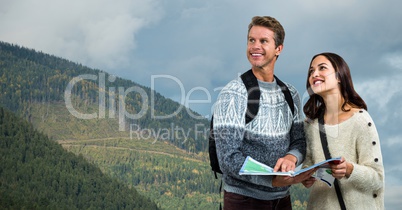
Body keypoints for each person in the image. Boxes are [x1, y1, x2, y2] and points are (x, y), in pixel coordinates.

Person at [212, 16, 309, 210]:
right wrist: (272, 181)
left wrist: (291, 158)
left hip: (283, 199)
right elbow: (228, 158)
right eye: (251, 40)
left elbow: (299, 141)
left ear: (278, 49)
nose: (255, 46)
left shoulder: (291, 94)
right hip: (244, 200)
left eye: (263, 41)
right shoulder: (233, 93)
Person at [302, 52, 385, 209]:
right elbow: (309, 165)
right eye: (311, 71)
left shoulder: (360, 120)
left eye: (322, 68)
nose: (315, 74)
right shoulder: (310, 124)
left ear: (339, 76)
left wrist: (349, 170)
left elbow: (377, 180)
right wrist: (306, 176)